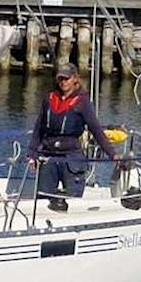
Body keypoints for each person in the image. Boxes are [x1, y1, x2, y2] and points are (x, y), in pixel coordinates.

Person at [29, 63, 119, 211]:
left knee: (73, 203)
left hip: (71, 157)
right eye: (60, 79)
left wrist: (113, 155)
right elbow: (38, 128)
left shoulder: (82, 102)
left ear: (75, 79)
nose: (63, 82)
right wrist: (32, 154)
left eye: (67, 78)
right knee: (42, 202)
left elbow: (96, 130)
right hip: (49, 156)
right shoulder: (49, 98)